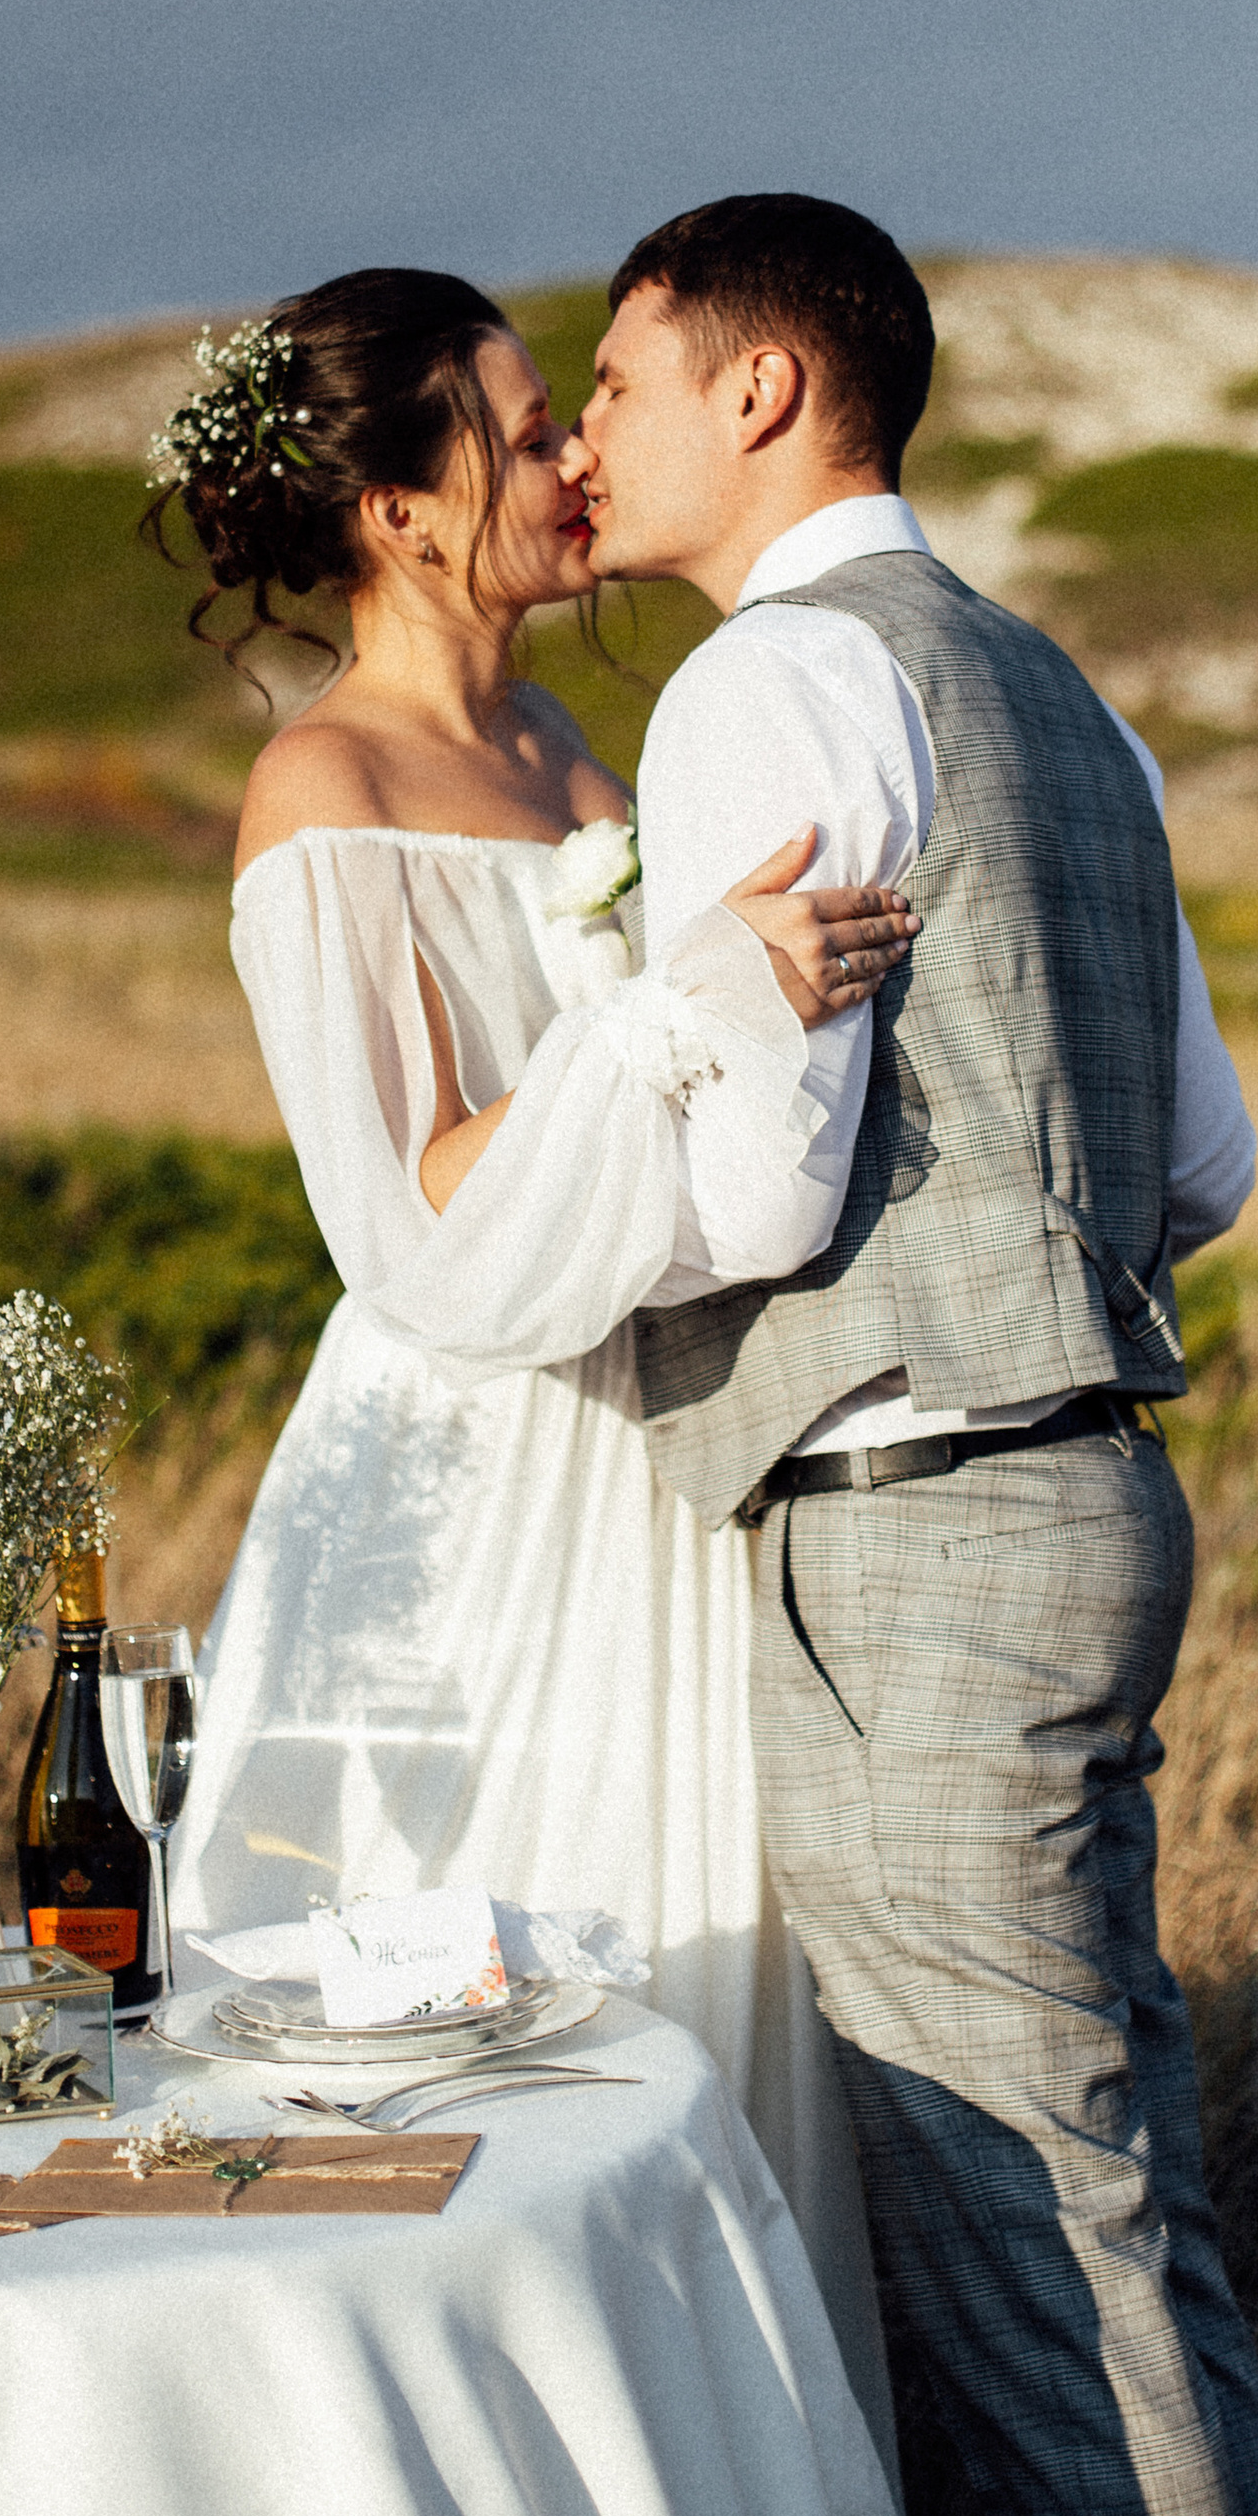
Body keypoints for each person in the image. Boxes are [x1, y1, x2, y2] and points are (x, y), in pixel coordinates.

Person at [569, 194, 1258, 2516]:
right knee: (1124, 2228)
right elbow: (1200, 1161)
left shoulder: (769, 686)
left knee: (1031, 2267)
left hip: (915, 1529)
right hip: (1098, 1488)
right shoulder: (1053, 693)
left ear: (767, 391)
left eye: (623, 381)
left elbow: (767, 1195)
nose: (585, 432)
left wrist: (537, 1238)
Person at [152, 267, 918, 2394]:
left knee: (700, 1987)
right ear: (399, 511)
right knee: (481, 2015)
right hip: (473, 1471)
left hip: (664, 1450)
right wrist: (669, 1010)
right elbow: (405, 1217)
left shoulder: (578, 748)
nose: (573, 454)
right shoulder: (322, 786)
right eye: (516, 424)